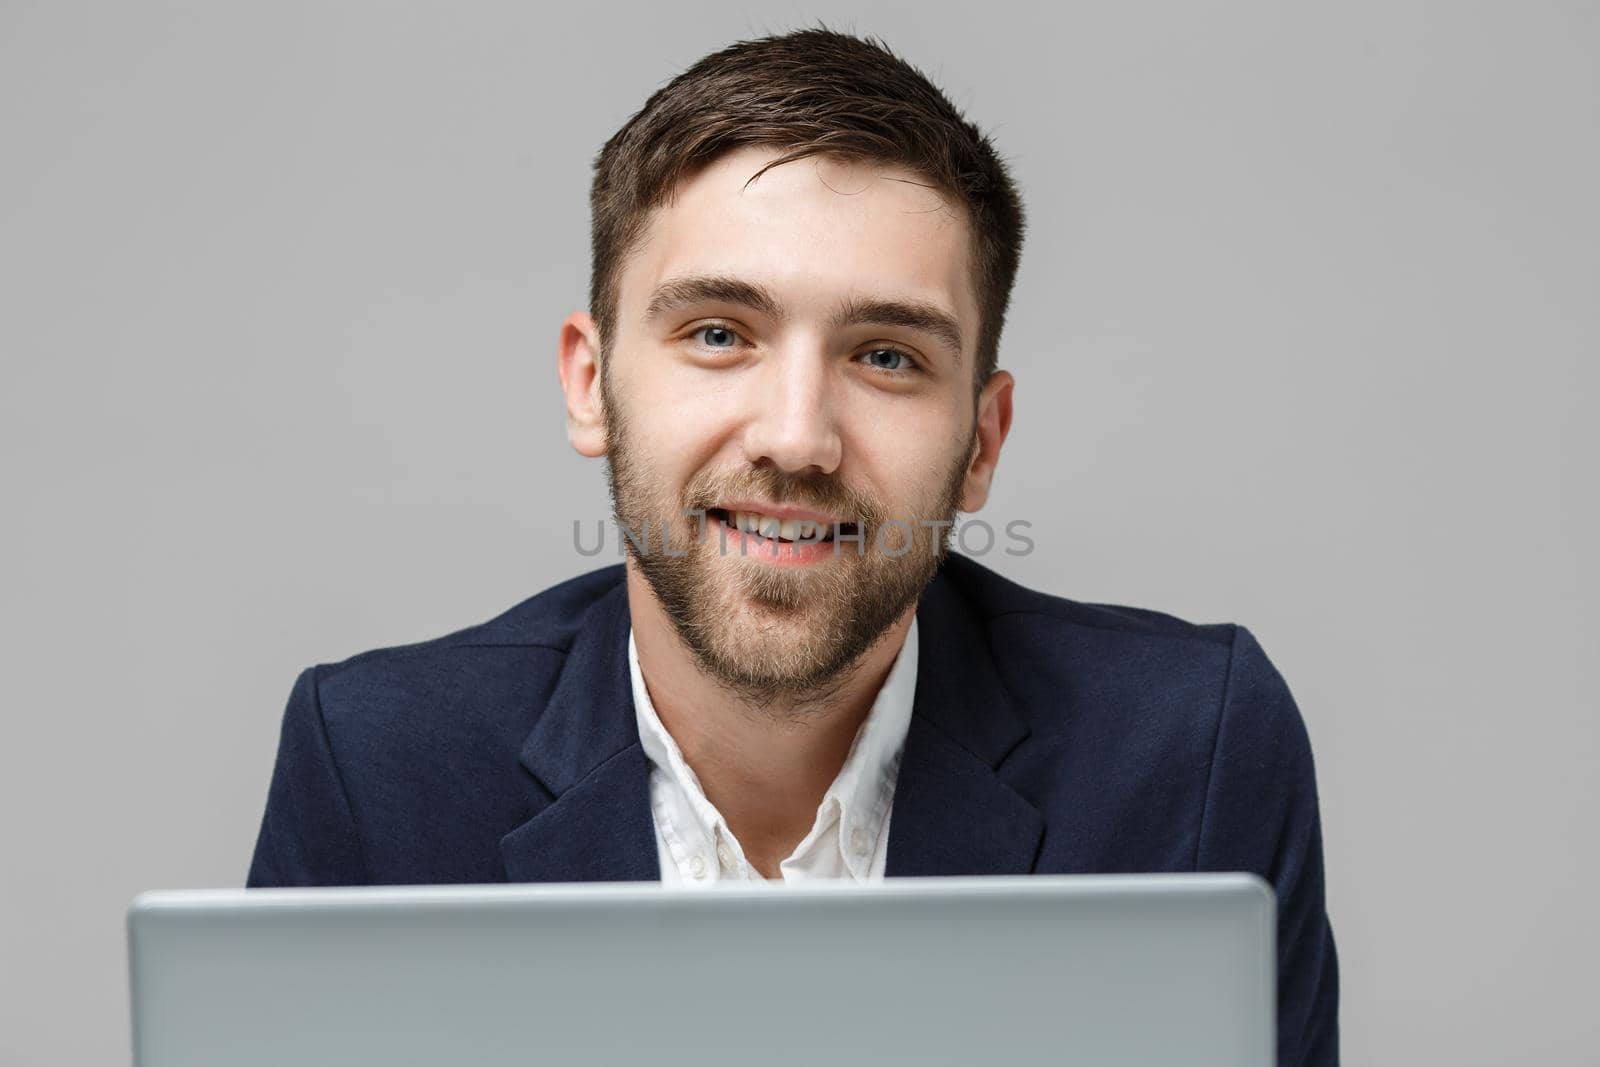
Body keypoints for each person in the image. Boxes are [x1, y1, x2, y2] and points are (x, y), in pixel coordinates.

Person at [247, 24, 1339, 1064]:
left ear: (980, 439)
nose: (796, 437)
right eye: (718, 334)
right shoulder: (377, 769)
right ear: (591, 383)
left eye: (887, 355)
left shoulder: (1187, 753)